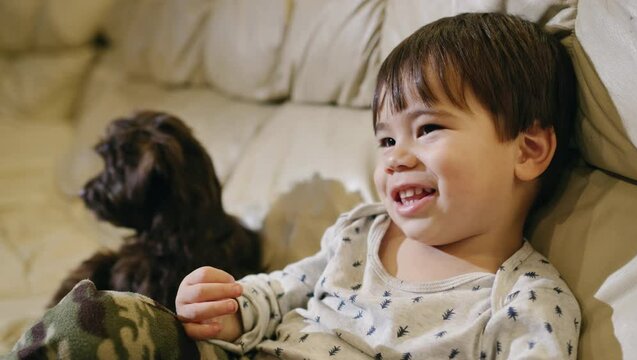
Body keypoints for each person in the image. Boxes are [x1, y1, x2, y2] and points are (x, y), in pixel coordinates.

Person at [4, 12, 579, 360]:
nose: (396, 157)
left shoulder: (526, 301)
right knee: (93, 322)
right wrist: (231, 309)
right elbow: (282, 291)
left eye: (427, 128)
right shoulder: (362, 232)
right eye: (384, 140)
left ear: (527, 151)